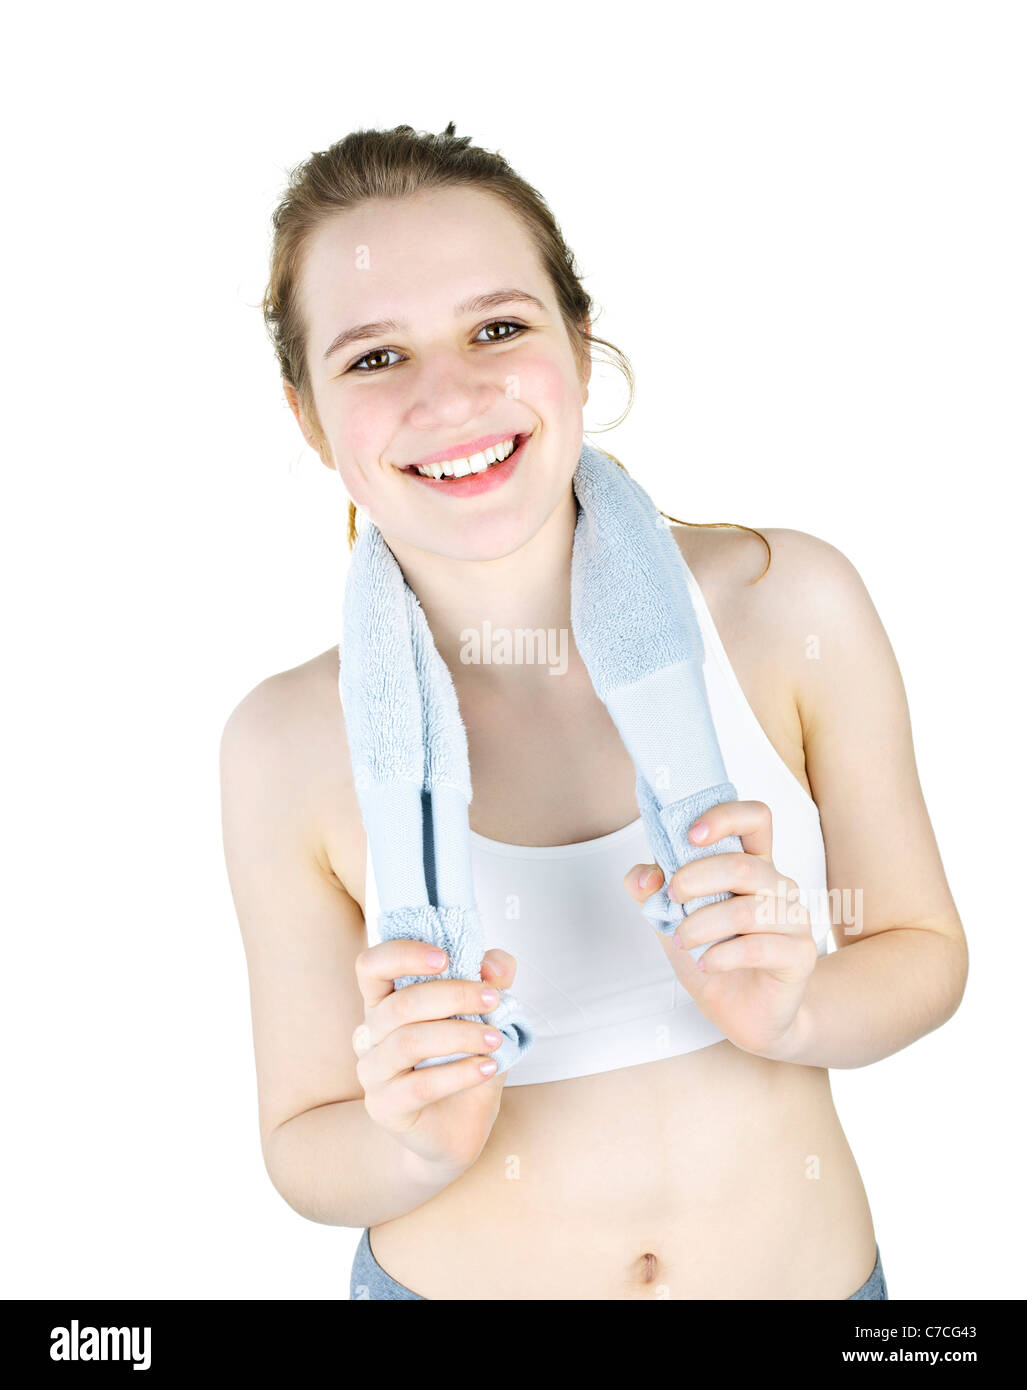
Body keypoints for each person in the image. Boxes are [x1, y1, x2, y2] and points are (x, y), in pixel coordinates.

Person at [219, 123, 968, 1300]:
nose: (451, 393)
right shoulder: (282, 743)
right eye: (374, 358)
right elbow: (303, 1144)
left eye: (497, 328)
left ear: (576, 340)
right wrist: (415, 1139)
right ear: (308, 414)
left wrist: (800, 1004)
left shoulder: (785, 602)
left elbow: (924, 955)